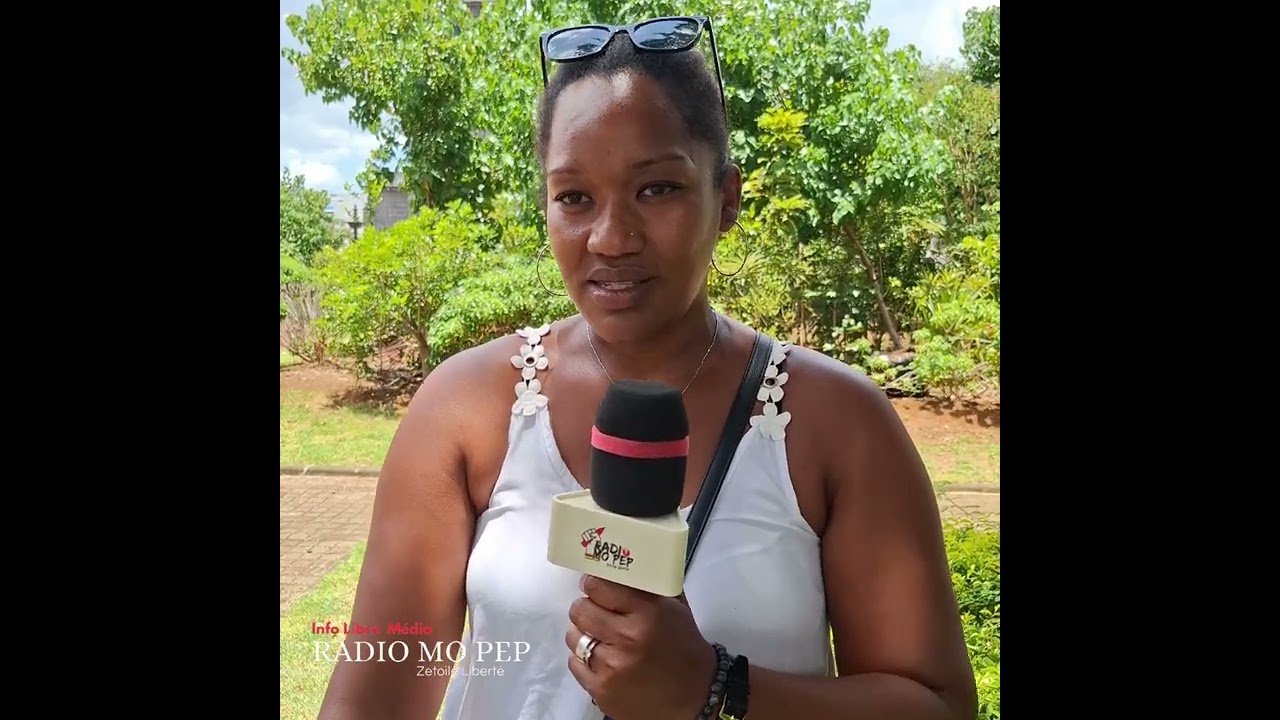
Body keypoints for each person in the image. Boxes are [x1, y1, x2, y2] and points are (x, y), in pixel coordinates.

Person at [317, 14, 977, 720]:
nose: (611, 237)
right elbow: (373, 697)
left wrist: (716, 689)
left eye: (656, 188)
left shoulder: (836, 422)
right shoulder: (465, 407)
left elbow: (935, 704)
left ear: (726, 198)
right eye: (574, 197)